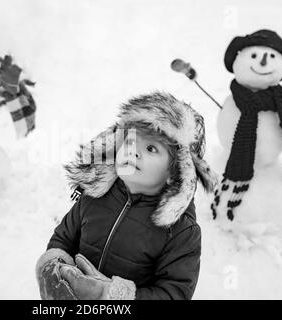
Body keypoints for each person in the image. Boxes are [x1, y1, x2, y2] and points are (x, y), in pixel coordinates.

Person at [36, 91, 217, 300]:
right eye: (130, 142)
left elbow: (173, 293)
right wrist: (56, 271)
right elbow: (63, 239)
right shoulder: (95, 194)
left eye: (151, 148)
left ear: (174, 171)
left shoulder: (180, 231)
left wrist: (109, 295)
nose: (134, 152)